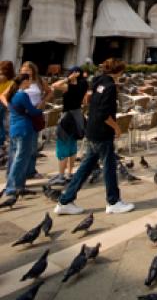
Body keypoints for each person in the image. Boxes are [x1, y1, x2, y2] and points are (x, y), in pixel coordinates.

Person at [55, 58, 134, 215]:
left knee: (85, 168)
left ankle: (65, 201)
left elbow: (89, 100)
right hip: (102, 132)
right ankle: (113, 201)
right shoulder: (110, 86)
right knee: (109, 167)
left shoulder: (98, 81)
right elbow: (105, 113)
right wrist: (117, 127)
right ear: (118, 72)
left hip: (92, 130)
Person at [3, 74, 43, 197]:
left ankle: (17, 185)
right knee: (21, 159)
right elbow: (33, 111)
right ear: (24, 81)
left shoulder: (12, 94)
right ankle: (12, 187)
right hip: (24, 128)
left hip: (14, 128)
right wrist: (41, 109)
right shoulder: (22, 95)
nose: (30, 82)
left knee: (16, 158)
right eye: (29, 80)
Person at [50, 67, 88, 184]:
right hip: (78, 116)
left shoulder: (68, 87)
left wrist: (67, 79)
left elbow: (54, 85)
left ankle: (61, 175)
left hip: (67, 118)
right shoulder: (84, 86)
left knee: (62, 147)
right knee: (72, 146)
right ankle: (70, 173)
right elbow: (85, 102)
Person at [19, 61, 52, 179]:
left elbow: (49, 91)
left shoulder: (39, 81)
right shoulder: (19, 81)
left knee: (33, 144)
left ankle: (31, 170)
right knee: (21, 145)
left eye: (28, 69)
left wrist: (43, 102)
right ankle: (20, 170)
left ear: (33, 70)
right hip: (22, 114)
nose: (26, 71)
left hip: (35, 113)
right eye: (24, 69)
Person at [0, 60, 15, 148]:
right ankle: (2, 140)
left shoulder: (3, 77)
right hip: (4, 102)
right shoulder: (11, 79)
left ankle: (1, 140)